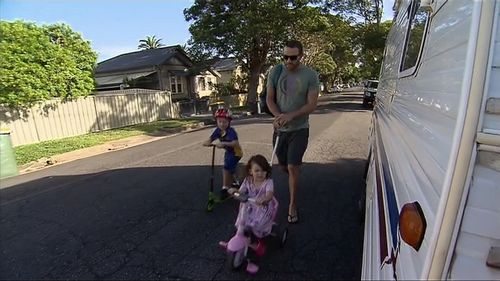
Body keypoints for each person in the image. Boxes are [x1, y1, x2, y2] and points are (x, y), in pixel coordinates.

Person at [265, 40, 320, 224]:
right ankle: (293, 178)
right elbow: (270, 99)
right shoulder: (275, 71)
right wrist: (279, 115)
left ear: (301, 56)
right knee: (283, 166)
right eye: (285, 57)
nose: (288, 61)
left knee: (292, 166)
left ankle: (292, 205)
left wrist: (292, 116)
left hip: (299, 129)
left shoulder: (310, 75)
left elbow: (312, 104)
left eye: (293, 57)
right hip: (280, 129)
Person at [227, 154, 278, 238]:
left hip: (263, 207)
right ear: (251, 171)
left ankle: (257, 234)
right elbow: (241, 191)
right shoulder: (248, 181)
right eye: (257, 171)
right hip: (249, 206)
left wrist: (264, 199)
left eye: (263, 171)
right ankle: (242, 233)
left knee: (258, 226)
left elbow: (269, 194)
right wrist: (234, 191)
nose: (260, 174)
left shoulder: (268, 182)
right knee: (242, 222)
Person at [203, 108, 243, 200]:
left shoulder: (231, 131)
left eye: (224, 122)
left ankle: (225, 188)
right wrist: (207, 142)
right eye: (219, 122)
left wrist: (224, 143)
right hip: (228, 152)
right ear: (216, 121)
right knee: (229, 168)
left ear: (229, 122)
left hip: (236, 152)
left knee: (226, 168)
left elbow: (235, 143)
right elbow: (211, 138)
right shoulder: (218, 130)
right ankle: (235, 181)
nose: (222, 124)